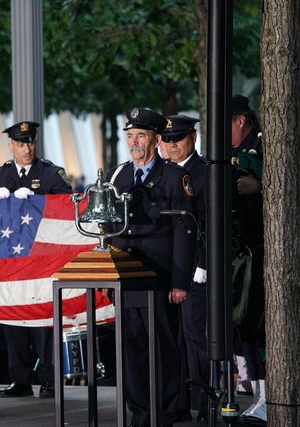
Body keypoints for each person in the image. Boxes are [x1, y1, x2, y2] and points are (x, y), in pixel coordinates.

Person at [103, 108, 197, 427]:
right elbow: (108, 228)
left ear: (156, 139)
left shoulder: (173, 177)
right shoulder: (119, 176)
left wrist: (180, 281)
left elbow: (185, 233)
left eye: (141, 136)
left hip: (159, 279)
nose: (134, 142)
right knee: (132, 348)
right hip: (126, 280)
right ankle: (140, 408)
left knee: (164, 348)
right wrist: (106, 275)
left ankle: (167, 409)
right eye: (130, 136)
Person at [0, 120, 73, 399]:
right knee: (15, 319)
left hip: (42, 261)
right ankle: (19, 379)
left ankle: (49, 379)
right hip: (12, 262)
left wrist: (38, 199)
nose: (26, 148)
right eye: (20, 143)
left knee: (44, 322)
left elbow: (68, 205)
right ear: (11, 146)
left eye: (30, 142)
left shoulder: (51, 173)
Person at [160, 114, 209, 422]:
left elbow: (210, 223)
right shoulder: (163, 173)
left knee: (196, 337)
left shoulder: (204, 173)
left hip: (195, 269)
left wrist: (203, 266)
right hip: (168, 267)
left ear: (193, 136)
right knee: (173, 338)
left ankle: (205, 403)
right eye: (167, 139)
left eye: (177, 138)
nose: (172, 144)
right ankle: (178, 401)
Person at [230, 94, 266, 422]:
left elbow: (293, 186)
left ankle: (268, 395)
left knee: (260, 324)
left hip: (263, 249)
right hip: (243, 251)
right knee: (246, 324)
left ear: (241, 120)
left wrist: (261, 185)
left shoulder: (263, 145)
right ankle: (258, 393)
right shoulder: (233, 153)